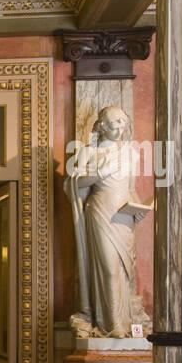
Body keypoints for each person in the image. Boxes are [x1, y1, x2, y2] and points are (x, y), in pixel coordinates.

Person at [67, 106, 151, 337]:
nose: (120, 127)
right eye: (115, 122)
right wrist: (100, 173)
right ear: (102, 125)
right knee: (108, 268)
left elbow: (130, 189)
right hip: (101, 211)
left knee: (124, 271)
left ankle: (124, 323)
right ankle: (111, 324)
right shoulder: (89, 152)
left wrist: (138, 209)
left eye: (123, 122)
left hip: (124, 215)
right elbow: (75, 183)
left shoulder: (130, 153)